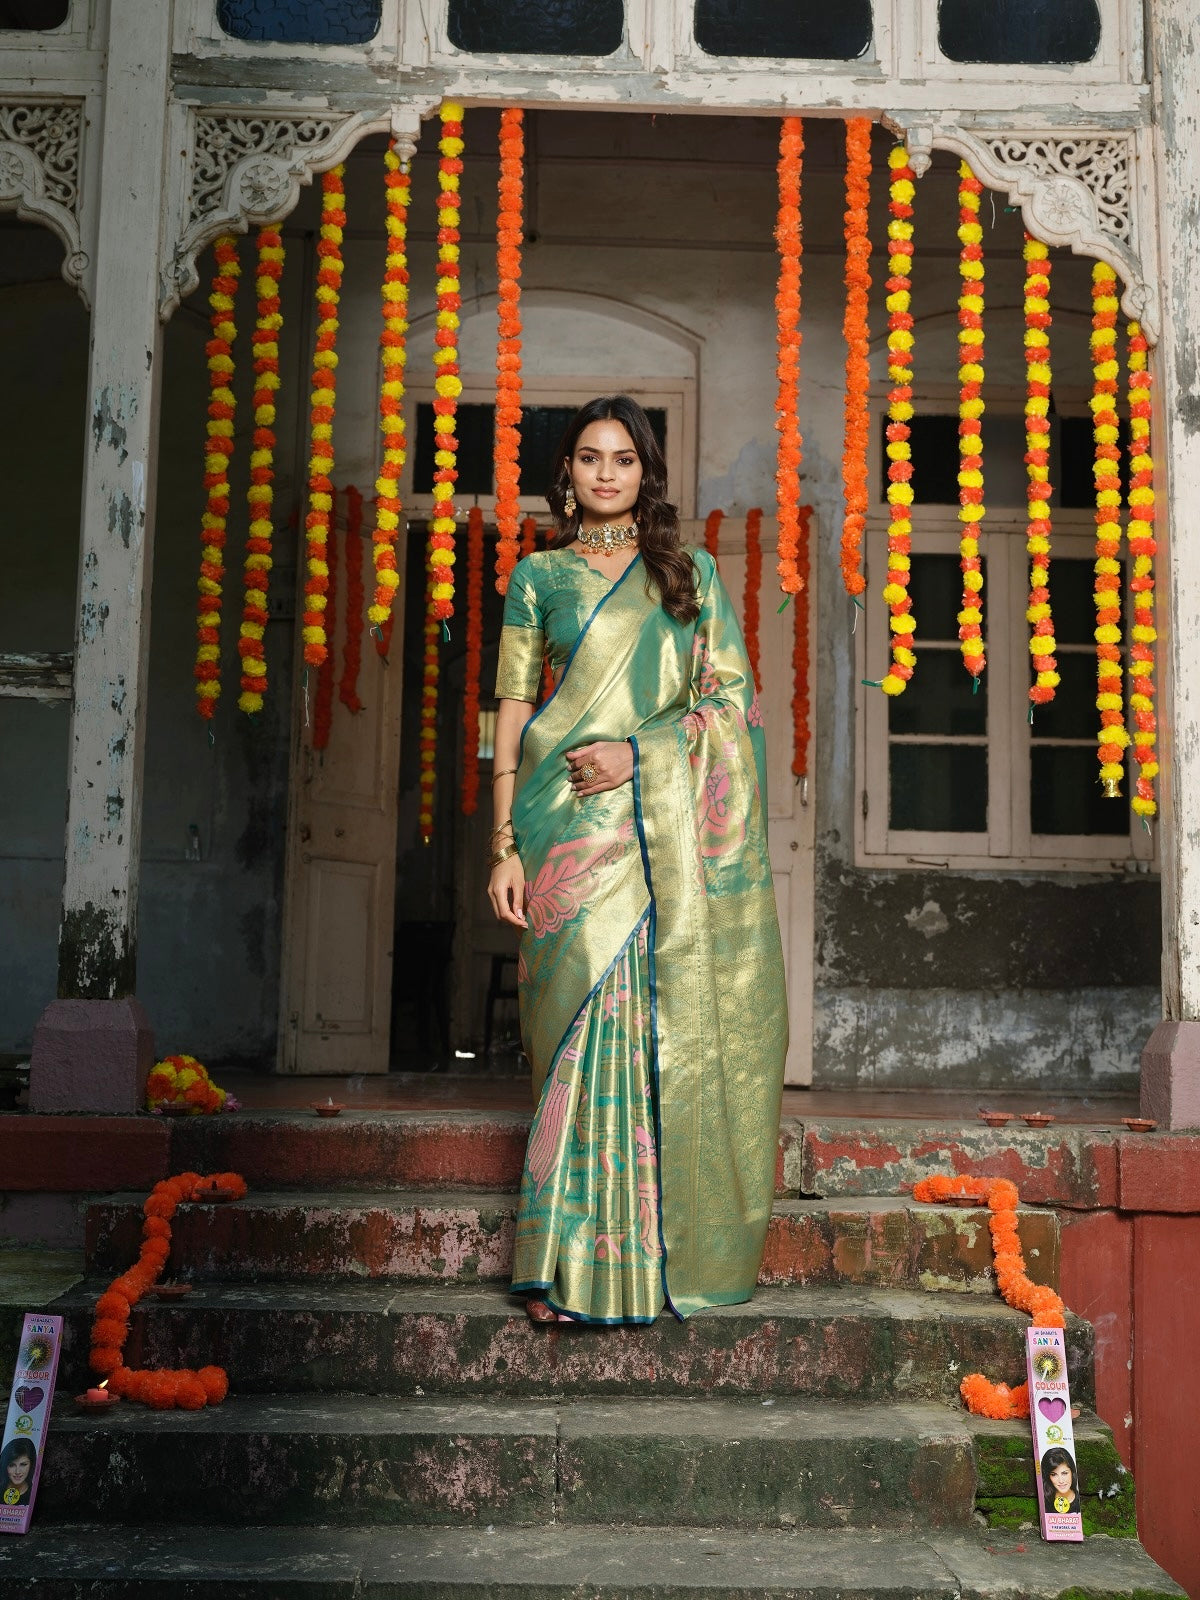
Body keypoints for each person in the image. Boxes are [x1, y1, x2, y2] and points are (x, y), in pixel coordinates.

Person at [488, 394, 788, 1325]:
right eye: (590, 457)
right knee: (573, 1035)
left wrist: (638, 753)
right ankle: (562, 1264)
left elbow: (731, 705)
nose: (607, 473)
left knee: (646, 1029)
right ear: (566, 472)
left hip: (656, 834)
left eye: (623, 459)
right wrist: (502, 844)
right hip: (562, 830)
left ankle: (647, 1262)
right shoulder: (538, 577)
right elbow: (510, 714)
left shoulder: (689, 573)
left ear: (645, 473)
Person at [1041, 1446, 1081, 1514]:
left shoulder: (1081, 1501)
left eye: (1064, 1473)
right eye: (1054, 1474)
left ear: (1072, 1472)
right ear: (1048, 1476)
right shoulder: (1044, 1501)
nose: (1061, 1481)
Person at [1, 1437, 35, 1507]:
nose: (17, 1471)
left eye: (23, 1464)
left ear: (31, 1465)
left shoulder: (34, 1493)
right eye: (12, 1465)